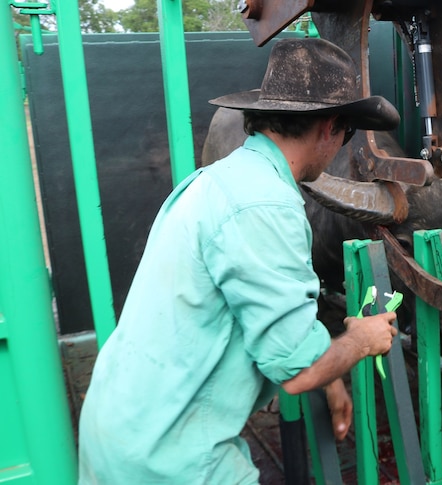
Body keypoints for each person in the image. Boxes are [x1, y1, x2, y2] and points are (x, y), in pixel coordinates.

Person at [78, 38, 401, 484]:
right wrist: (362, 339)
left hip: (119, 427)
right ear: (330, 127)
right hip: (171, 458)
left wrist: (330, 374)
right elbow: (298, 372)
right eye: (348, 134)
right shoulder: (266, 206)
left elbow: (261, 319)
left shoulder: (214, 181)